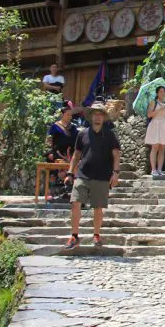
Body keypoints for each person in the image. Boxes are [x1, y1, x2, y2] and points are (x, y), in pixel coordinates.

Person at [63, 103, 121, 249]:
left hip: (102, 175)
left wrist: (116, 173)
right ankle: (74, 236)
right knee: (75, 202)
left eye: (100, 114)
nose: (98, 117)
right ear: (91, 116)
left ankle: (96, 235)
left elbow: (116, 154)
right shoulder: (83, 133)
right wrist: (70, 172)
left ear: (103, 117)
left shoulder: (109, 134)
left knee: (98, 207)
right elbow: (76, 155)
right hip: (83, 174)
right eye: (95, 114)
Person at [45, 103, 78, 200]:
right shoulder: (55, 127)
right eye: (68, 115)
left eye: (71, 115)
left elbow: (77, 141)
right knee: (53, 167)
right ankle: (50, 193)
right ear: (62, 115)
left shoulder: (73, 127)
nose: (70, 117)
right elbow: (49, 140)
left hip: (70, 154)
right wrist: (50, 152)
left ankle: (70, 192)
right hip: (57, 153)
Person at [145, 86, 165, 177]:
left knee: (162, 149)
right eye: (161, 91)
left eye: (164, 91)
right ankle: (153, 170)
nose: (163, 93)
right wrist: (159, 109)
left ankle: (160, 169)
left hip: (164, 126)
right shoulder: (153, 103)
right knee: (155, 147)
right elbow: (149, 115)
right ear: (157, 93)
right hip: (155, 125)